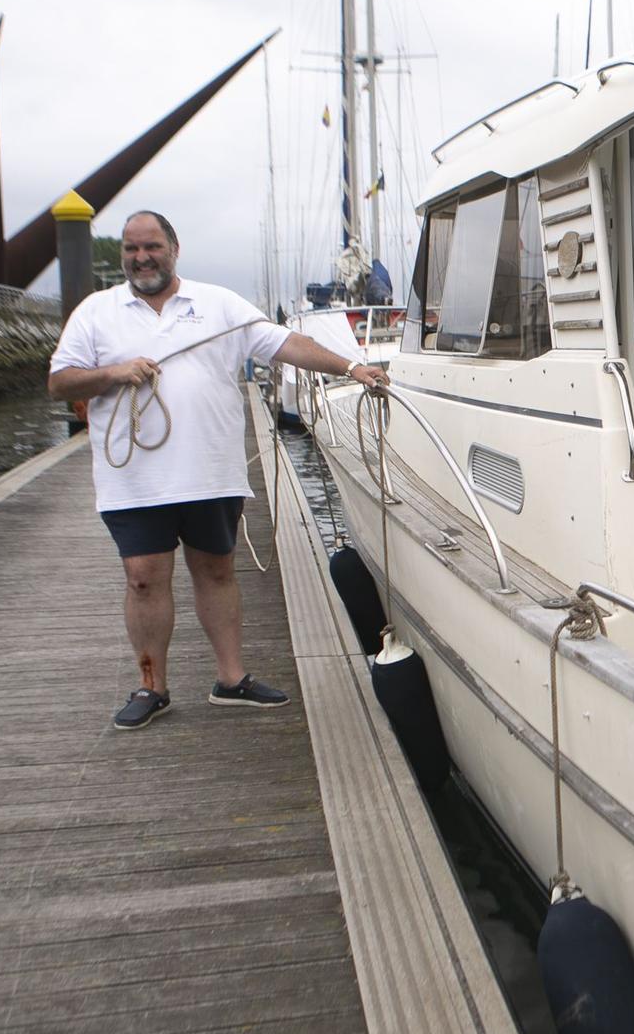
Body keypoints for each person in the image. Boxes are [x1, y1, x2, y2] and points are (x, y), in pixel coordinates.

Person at [49, 211, 390, 731]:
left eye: (152, 247)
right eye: (131, 249)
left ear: (174, 247)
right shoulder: (97, 312)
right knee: (143, 580)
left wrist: (351, 367)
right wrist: (116, 372)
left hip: (209, 473)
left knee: (215, 572)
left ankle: (231, 679)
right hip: (134, 480)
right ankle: (151, 685)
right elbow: (61, 382)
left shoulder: (218, 304)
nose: (141, 258)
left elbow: (284, 344)